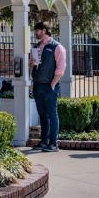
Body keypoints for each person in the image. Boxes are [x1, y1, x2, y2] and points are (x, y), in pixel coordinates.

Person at [30, 21, 66, 152]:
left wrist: (53, 84)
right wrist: (31, 64)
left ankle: (53, 143)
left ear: (44, 30)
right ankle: (44, 141)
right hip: (38, 84)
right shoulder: (36, 46)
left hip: (50, 85)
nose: (35, 33)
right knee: (42, 114)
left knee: (52, 113)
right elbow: (34, 65)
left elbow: (61, 68)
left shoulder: (57, 47)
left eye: (37, 30)